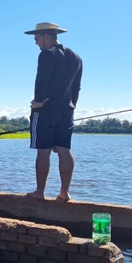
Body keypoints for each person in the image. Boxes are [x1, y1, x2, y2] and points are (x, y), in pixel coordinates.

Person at [24, 22, 83, 202]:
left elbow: (41, 80)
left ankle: (39, 192)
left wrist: (37, 102)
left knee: (43, 151)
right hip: (67, 110)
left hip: (46, 110)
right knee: (64, 150)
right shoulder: (76, 57)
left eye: (36, 38)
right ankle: (65, 193)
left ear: (46, 36)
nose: (35, 43)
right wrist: (72, 105)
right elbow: (77, 87)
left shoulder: (46, 55)